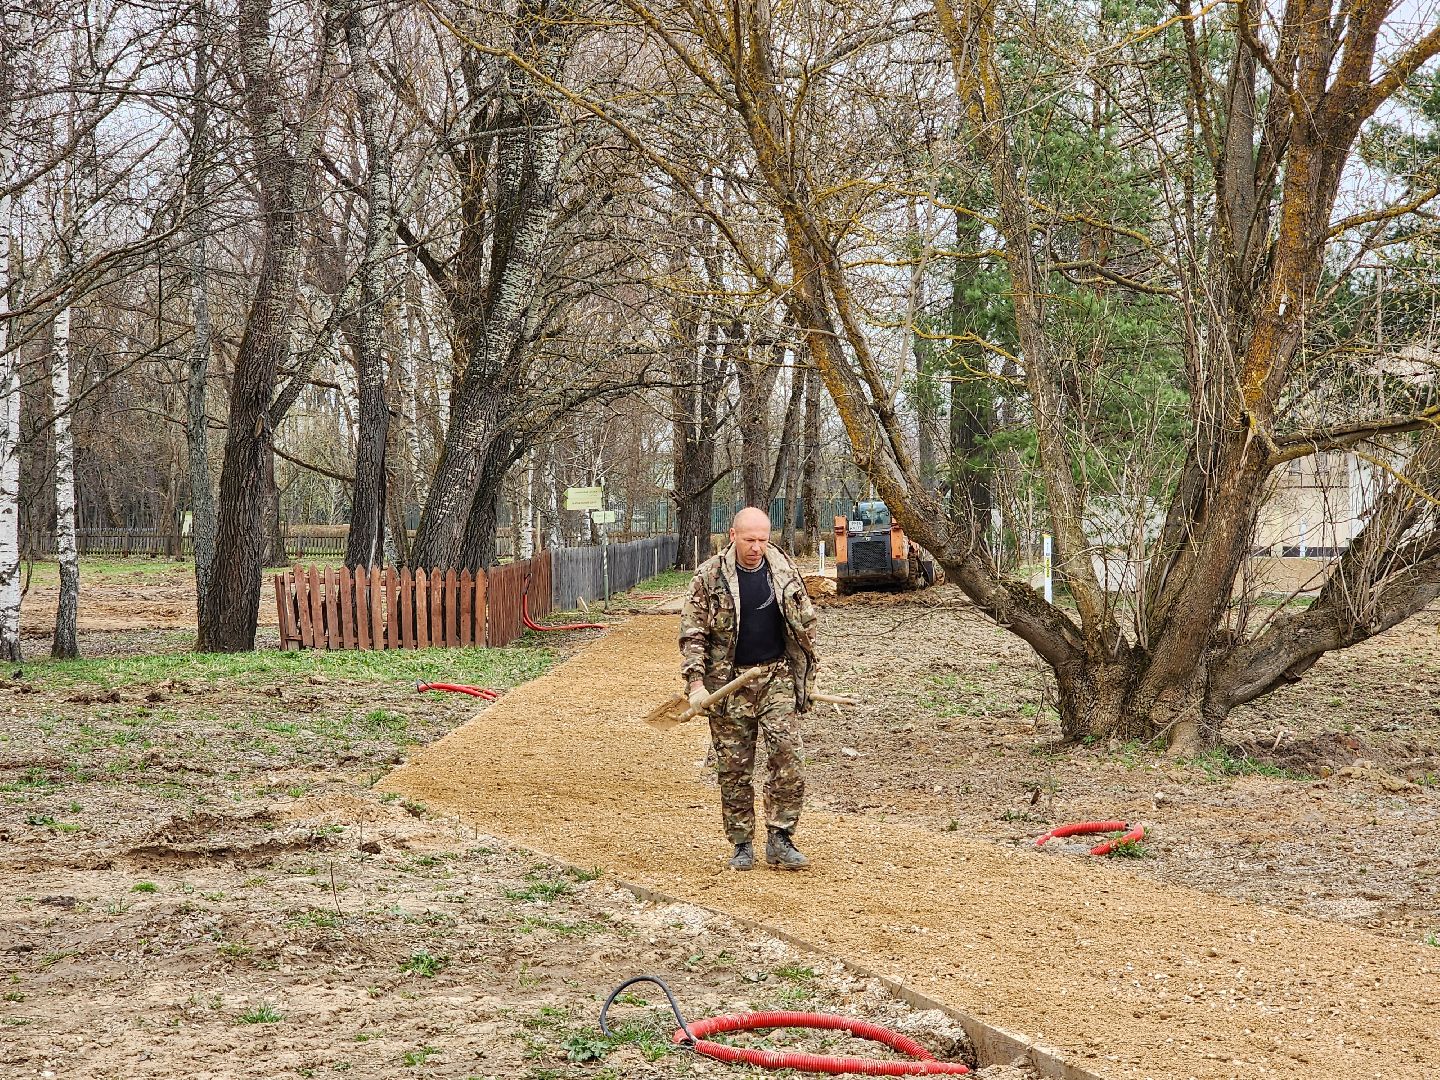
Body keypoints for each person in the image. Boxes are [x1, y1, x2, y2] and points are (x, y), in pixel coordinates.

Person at [679, 506, 819, 871]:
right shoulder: (709, 577)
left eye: (762, 539)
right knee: (733, 769)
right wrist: (696, 684)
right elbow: (693, 634)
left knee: (788, 757)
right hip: (729, 685)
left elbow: (805, 622)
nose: (757, 547)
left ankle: (781, 837)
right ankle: (741, 843)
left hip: (776, 678)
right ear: (732, 535)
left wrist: (804, 670)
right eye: (749, 539)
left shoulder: (784, 571)